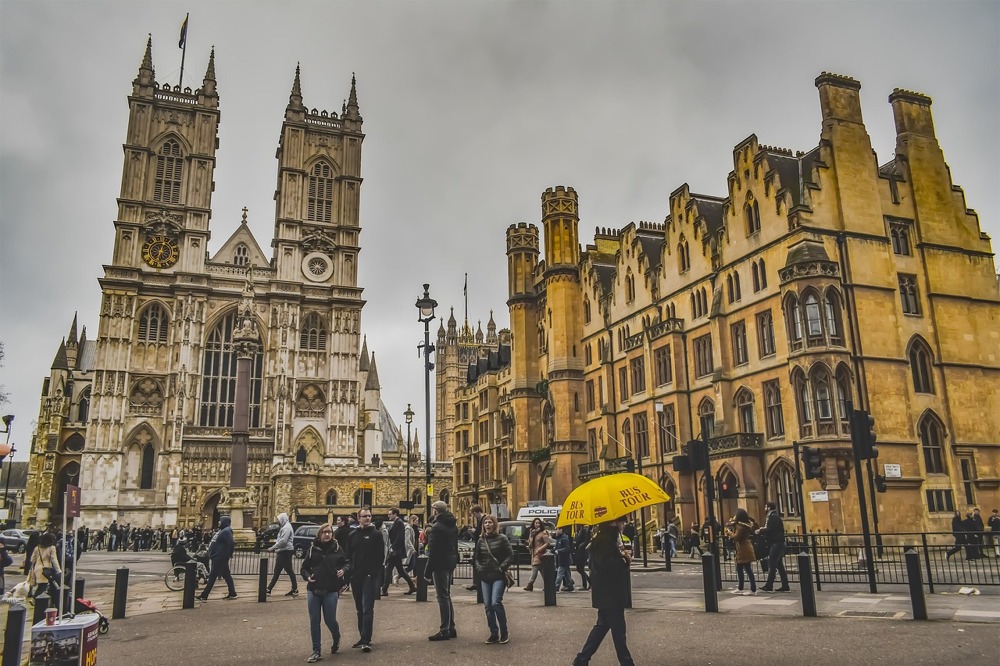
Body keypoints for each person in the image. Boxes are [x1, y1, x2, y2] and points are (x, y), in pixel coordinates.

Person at [572, 518, 634, 666]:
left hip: (607, 593)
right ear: (613, 523)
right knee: (619, 632)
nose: (623, 524)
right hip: (610, 593)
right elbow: (604, 566)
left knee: (602, 627)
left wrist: (621, 555)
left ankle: (582, 659)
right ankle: (627, 663)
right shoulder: (604, 540)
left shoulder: (605, 538)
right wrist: (624, 560)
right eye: (621, 522)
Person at [300, 523, 347, 663]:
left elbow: (347, 563)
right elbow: (304, 568)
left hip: (331, 589)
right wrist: (307, 576)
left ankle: (336, 636)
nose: (327, 534)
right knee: (314, 621)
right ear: (319, 534)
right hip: (313, 589)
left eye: (329, 532)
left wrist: (344, 570)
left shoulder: (338, 549)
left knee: (330, 620)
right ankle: (316, 650)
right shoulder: (312, 549)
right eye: (324, 532)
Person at [344, 507, 382, 652]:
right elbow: (347, 555)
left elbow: (380, 556)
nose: (367, 518)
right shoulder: (352, 535)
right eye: (364, 516)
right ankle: (362, 636)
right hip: (356, 576)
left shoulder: (376, 535)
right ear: (359, 518)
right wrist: (349, 573)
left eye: (369, 516)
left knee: (367, 608)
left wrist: (373, 573)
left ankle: (366, 639)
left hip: (369, 577)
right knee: (359, 608)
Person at [472, 514, 513, 644]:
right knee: (488, 606)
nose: (487, 525)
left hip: (498, 576)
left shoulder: (502, 538)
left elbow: (510, 555)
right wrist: (479, 568)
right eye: (485, 523)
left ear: (494, 524)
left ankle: (504, 631)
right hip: (485, 575)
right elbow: (476, 557)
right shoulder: (481, 540)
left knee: (496, 602)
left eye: (490, 523)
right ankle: (493, 633)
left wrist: (501, 568)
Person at [426, 501, 459, 641]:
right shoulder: (452, 524)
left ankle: (444, 629)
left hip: (440, 564)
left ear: (435, 511)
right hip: (450, 562)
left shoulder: (437, 527)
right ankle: (451, 627)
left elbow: (432, 551)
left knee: (442, 597)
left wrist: (427, 571)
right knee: (447, 595)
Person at [198, 515, 237, 601]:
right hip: (217, 557)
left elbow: (231, 543)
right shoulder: (222, 530)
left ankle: (204, 595)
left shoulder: (226, 531)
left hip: (220, 557)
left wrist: (228, 554)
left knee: (212, 577)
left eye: (220, 521)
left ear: (224, 522)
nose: (219, 522)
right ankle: (232, 593)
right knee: (226, 575)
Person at [382, 508, 416, 595]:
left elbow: (399, 537)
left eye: (390, 514)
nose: (388, 515)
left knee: (388, 569)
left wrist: (393, 548)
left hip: (395, 551)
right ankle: (412, 586)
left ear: (395, 514)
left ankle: (384, 589)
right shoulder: (397, 523)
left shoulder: (399, 523)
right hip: (395, 551)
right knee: (400, 570)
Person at [756, 502, 789, 592]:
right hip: (777, 542)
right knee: (779, 565)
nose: (764, 508)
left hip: (777, 543)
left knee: (772, 563)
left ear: (769, 507)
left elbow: (771, 529)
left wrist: (761, 531)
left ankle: (769, 585)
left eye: (766, 506)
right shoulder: (772, 516)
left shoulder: (773, 517)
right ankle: (785, 585)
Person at [267, 512, 299, 596]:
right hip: (284, 551)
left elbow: (283, 541)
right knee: (283, 571)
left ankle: (269, 589)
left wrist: (273, 548)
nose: (278, 521)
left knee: (282, 571)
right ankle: (294, 589)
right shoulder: (285, 527)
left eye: (279, 520)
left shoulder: (286, 528)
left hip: (285, 551)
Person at [727, 509, 758, 595]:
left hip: (744, 549)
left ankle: (753, 589)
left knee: (747, 569)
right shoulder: (743, 525)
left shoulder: (741, 527)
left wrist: (729, 533)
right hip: (744, 548)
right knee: (740, 569)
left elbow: (737, 537)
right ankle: (741, 588)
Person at [27, 532, 60, 598]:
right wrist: (58, 570)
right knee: (42, 587)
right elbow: (54, 560)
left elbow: (32, 559)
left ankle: (37, 599)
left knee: (40, 585)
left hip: (37, 568)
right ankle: (35, 599)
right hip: (46, 569)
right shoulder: (52, 548)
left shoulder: (37, 548)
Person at [522, 518, 550, 592]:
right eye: (536, 523)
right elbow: (530, 543)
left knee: (535, 568)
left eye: (538, 523)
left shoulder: (543, 533)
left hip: (539, 553)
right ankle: (548, 585)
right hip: (533, 553)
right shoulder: (532, 532)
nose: (537, 524)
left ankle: (530, 584)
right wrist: (531, 536)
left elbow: (547, 543)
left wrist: (540, 549)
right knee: (542, 570)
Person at [466, 504, 485, 591]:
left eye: (474, 514)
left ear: (478, 512)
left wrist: (475, 531)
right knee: (475, 563)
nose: (474, 516)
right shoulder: (480, 520)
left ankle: (478, 583)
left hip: (482, 546)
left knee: (477, 563)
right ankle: (476, 583)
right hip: (478, 545)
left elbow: (481, 532)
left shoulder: (484, 519)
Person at [553, 526, 575, 592]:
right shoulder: (559, 538)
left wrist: (559, 551)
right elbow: (556, 548)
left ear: (561, 530)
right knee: (566, 573)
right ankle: (570, 585)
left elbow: (567, 549)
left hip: (564, 559)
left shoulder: (564, 538)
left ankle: (556, 587)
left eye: (557, 529)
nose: (556, 531)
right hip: (561, 559)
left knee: (560, 573)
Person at [573, 524, 592, 590]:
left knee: (580, 568)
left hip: (583, 552)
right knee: (579, 568)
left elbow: (587, 540)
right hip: (579, 552)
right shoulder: (579, 530)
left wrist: (581, 545)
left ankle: (586, 584)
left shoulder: (584, 530)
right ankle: (589, 582)